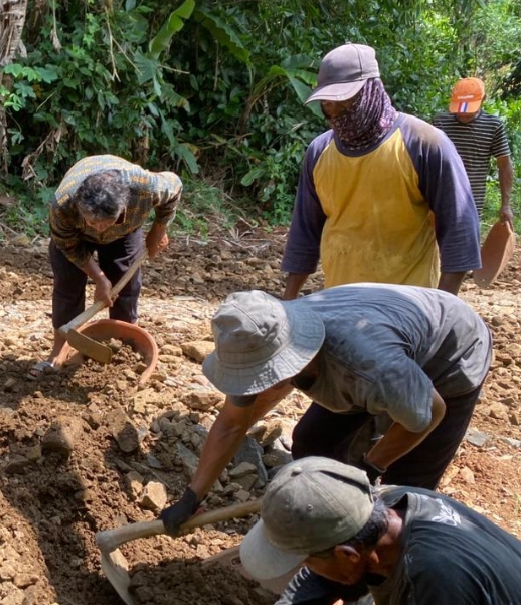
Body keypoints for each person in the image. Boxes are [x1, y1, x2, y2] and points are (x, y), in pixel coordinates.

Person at [158, 284, 490, 534]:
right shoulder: (256, 334)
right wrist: (192, 495)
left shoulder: (368, 365)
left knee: (402, 493)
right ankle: (323, 535)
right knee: (313, 442)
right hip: (379, 351)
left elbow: (430, 412)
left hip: (451, 356)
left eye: (261, 377)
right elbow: (233, 422)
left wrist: (370, 469)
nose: (256, 388)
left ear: (292, 360)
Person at [281, 44, 481, 300]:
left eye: (343, 100)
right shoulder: (320, 152)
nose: (333, 110)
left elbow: (460, 232)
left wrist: (441, 312)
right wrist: (288, 303)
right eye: (327, 102)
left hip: (409, 307)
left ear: (370, 91)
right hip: (340, 302)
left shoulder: (423, 144)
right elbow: (304, 233)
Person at [241, 456, 521, 604]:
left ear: (348, 555)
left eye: (306, 561)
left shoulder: (434, 580)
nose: (306, 568)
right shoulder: (383, 502)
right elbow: (328, 574)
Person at [29, 155, 181, 379]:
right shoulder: (63, 204)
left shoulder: (144, 187)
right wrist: (100, 279)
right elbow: (68, 246)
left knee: (126, 288)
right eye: (93, 222)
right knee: (68, 286)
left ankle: (124, 351)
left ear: (123, 206)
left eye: (106, 222)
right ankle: (59, 353)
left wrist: (158, 229)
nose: (100, 229)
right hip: (76, 238)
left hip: (124, 234)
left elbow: (175, 186)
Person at [432, 77, 514, 222]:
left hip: (471, 204)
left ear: (484, 100)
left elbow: (504, 165)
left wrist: (506, 205)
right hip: (439, 201)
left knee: (467, 243)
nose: (463, 114)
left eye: (469, 109)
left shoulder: (492, 126)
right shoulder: (440, 122)